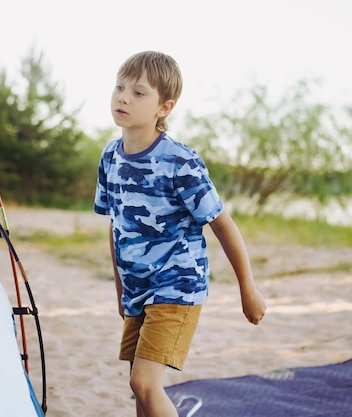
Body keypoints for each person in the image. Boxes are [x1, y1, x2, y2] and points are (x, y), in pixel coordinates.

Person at [93, 51, 267, 417]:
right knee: (140, 389)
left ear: (164, 107)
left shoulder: (180, 161)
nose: (123, 97)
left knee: (144, 382)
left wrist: (247, 289)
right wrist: (120, 288)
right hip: (137, 287)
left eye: (139, 93)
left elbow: (222, 223)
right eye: (119, 87)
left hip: (177, 283)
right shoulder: (111, 157)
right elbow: (116, 224)